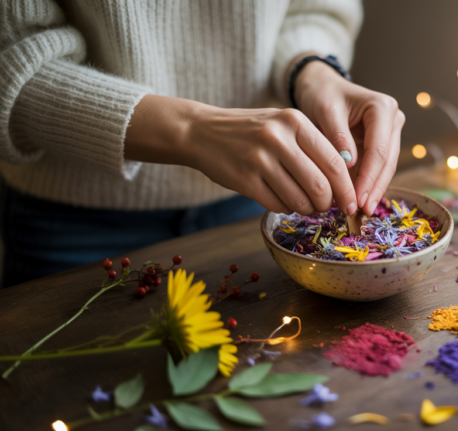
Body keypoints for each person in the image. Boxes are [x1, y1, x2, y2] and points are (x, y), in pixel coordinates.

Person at [0, 0, 404, 287]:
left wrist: (314, 73)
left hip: (264, 198)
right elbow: (12, 61)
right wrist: (193, 130)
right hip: (75, 225)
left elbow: (311, 9)